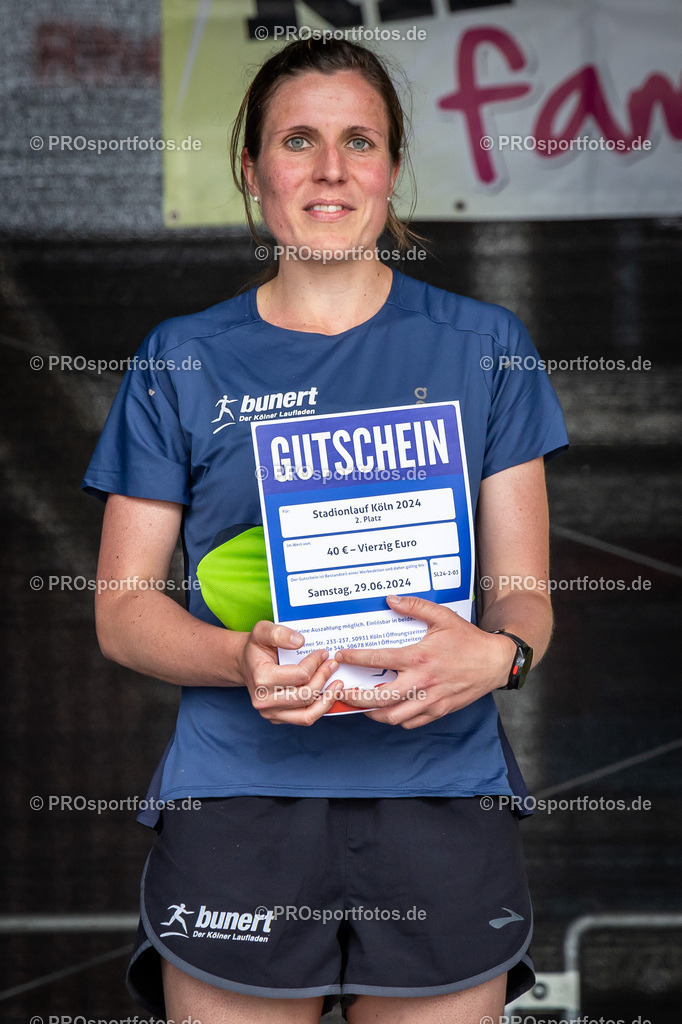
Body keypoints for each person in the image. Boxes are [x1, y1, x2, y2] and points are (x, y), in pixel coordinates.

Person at [83, 37, 568, 1024]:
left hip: (440, 791)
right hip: (238, 799)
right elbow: (122, 611)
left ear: (393, 165)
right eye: (298, 139)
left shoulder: (487, 348)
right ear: (251, 168)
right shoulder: (181, 358)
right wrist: (236, 657)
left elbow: (525, 598)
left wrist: (501, 657)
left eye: (361, 140)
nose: (332, 168)